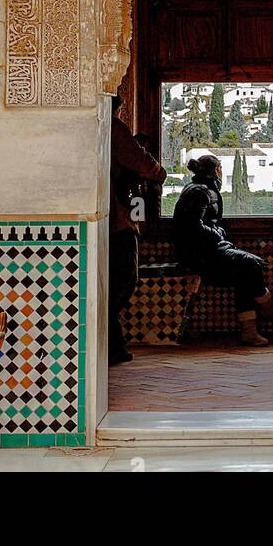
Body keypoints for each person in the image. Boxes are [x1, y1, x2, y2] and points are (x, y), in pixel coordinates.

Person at [172, 154, 273, 346]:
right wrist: (218, 233)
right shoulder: (201, 192)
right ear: (216, 171)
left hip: (204, 251)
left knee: (247, 270)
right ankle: (265, 305)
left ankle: (250, 330)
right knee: (251, 265)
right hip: (202, 255)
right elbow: (191, 226)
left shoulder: (199, 189)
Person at [109, 95, 166, 365]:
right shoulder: (112, 127)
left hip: (112, 222)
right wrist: (158, 171)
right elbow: (143, 164)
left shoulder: (103, 127)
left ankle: (110, 344)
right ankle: (111, 344)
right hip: (119, 222)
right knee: (123, 281)